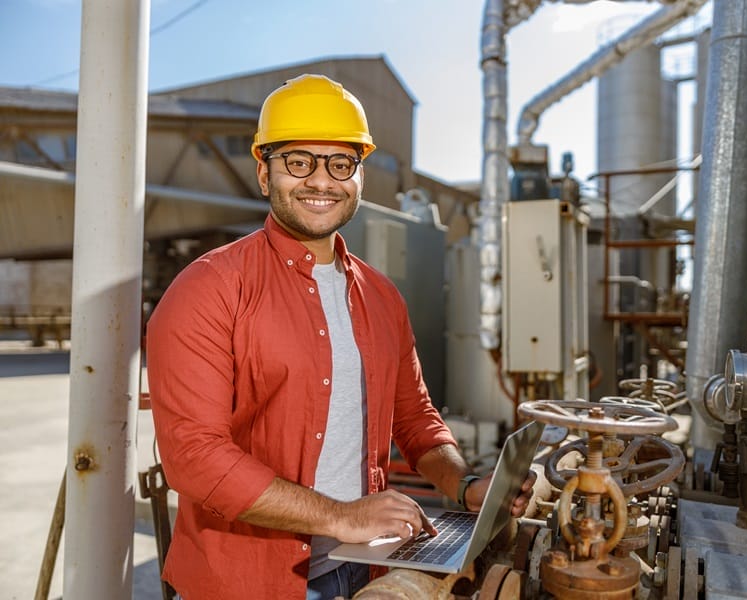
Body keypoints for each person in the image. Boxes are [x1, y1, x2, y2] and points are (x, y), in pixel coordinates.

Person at [146, 73, 536, 599]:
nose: (321, 181)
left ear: (359, 175)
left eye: (340, 163)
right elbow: (194, 457)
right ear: (264, 172)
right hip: (246, 581)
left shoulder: (381, 295)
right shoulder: (210, 288)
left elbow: (416, 418)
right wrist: (339, 516)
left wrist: (465, 486)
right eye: (299, 161)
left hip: (364, 566)